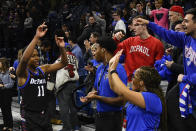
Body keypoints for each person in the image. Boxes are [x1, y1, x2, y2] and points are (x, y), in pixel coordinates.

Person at [136, 8, 196, 130]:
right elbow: (167, 34)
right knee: (170, 103)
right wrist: (149, 23)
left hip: (189, 83)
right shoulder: (186, 38)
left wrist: (186, 77)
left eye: (186, 21)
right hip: (188, 86)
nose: (183, 24)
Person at [16, 22, 68, 131]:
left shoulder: (42, 69)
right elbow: (24, 59)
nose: (36, 58)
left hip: (44, 114)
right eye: (33, 56)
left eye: (37, 56)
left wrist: (62, 48)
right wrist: (36, 37)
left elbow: (63, 63)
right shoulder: (23, 73)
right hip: (30, 117)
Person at [108, 50, 167, 131]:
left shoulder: (153, 98)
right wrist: (110, 66)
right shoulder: (136, 94)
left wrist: (113, 71)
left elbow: (123, 91)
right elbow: (113, 87)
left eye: (134, 77)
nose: (132, 79)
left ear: (141, 82)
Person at [80, 37, 127, 131]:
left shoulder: (118, 70)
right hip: (99, 115)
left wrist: (97, 98)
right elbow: (97, 89)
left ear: (103, 50)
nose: (94, 53)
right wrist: (91, 95)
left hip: (112, 117)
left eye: (96, 49)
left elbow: (122, 100)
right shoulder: (100, 68)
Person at [114, 15, 164, 84]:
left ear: (144, 25)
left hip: (146, 83)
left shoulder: (157, 44)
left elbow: (158, 68)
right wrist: (116, 39)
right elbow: (114, 52)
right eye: (133, 25)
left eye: (137, 25)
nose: (133, 28)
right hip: (129, 82)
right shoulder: (129, 41)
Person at [54, 45, 80, 131]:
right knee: (73, 107)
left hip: (64, 85)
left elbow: (53, 67)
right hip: (74, 83)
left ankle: (67, 128)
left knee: (63, 107)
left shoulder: (61, 58)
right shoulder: (75, 57)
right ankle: (75, 126)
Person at [0, 57, 15, 131]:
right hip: (1, 93)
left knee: (7, 110)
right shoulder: (0, 72)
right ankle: (5, 124)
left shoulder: (9, 71)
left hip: (7, 93)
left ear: (3, 64)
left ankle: (10, 126)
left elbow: (11, 84)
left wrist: (3, 86)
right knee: (3, 110)